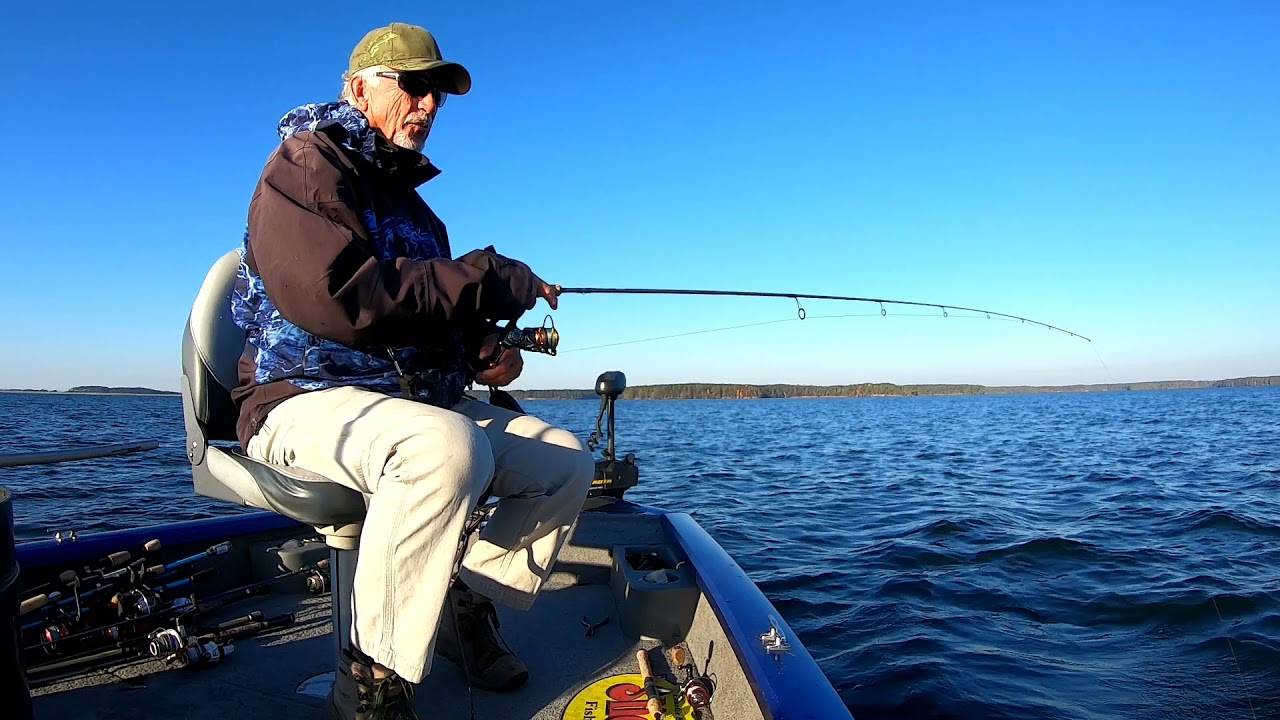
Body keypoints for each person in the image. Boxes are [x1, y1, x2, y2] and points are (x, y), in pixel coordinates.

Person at [228, 22, 596, 720]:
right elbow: (339, 296)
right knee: (445, 449)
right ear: (360, 87)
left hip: (408, 401)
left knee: (565, 464)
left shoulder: (419, 211)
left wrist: (482, 350)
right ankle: (372, 683)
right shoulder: (306, 165)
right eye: (415, 86)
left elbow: (432, 313)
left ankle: (464, 604)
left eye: (440, 95)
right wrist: (484, 277)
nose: (428, 106)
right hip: (299, 397)